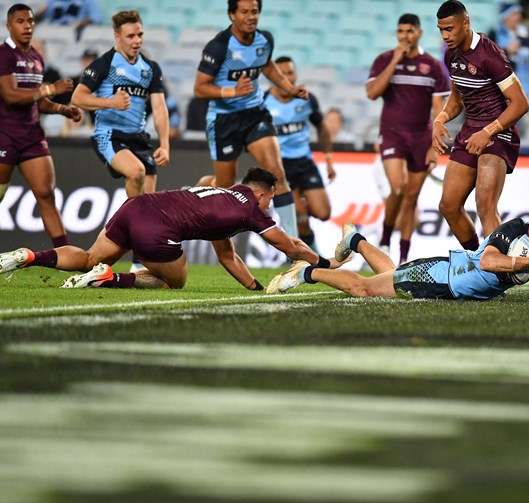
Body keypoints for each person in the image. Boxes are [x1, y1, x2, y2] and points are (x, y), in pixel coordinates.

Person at [0, 167, 341, 289]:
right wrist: (325, 263)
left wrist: (254, 287)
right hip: (158, 227)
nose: (269, 205)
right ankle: (111, 278)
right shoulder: (252, 209)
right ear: (262, 194)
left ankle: (29, 256)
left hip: (136, 206)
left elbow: (227, 256)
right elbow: (290, 246)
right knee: (174, 282)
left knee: (89, 257)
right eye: (271, 199)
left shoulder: (225, 193)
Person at [268, 203, 529, 306]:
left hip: (445, 282)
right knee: (364, 289)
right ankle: (305, 273)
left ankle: (356, 241)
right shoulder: (515, 230)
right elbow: (487, 261)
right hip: (440, 277)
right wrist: (525, 263)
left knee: (388, 276)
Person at [193, 0, 307, 238]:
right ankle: (205, 185)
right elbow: (200, 88)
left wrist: (289, 88)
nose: (250, 16)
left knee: (277, 173)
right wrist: (232, 91)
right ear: (232, 15)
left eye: (254, 11)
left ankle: (294, 244)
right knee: (225, 186)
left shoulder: (264, 39)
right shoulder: (218, 47)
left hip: (255, 114)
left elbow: (267, 66)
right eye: (244, 12)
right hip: (224, 120)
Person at [70, 10, 169, 271]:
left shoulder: (150, 68)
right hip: (109, 134)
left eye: (140, 35)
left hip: (139, 138)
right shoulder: (104, 64)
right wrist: (110, 103)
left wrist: (165, 144)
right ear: (117, 36)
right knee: (136, 172)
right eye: (130, 36)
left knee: (148, 206)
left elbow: (160, 109)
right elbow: (77, 97)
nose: (137, 40)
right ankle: (132, 250)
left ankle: (135, 260)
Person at [432, 0, 529, 251]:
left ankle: (497, 268)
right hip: (471, 131)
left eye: (449, 29)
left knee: (485, 206)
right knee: (449, 206)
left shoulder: (489, 53)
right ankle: (477, 258)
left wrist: (488, 131)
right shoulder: (450, 54)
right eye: (441, 30)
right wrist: (440, 119)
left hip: (499, 132)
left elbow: (520, 103)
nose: (445, 36)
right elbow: (457, 99)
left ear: (466, 23)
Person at [366, 12, 449, 264]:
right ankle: (384, 239)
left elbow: (439, 109)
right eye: (401, 31)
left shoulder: (432, 66)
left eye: (410, 31)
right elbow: (372, 92)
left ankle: (403, 256)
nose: (405, 36)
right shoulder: (384, 60)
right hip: (392, 136)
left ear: (419, 33)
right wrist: (395, 60)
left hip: (421, 138)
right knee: (398, 188)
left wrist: (435, 145)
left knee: (412, 198)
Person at [0, 3, 83, 248]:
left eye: (31, 21)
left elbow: (37, 100)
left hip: (32, 137)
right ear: (9, 25)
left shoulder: (35, 57)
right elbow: (11, 96)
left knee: (46, 194)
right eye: (21, 21)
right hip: (5, 135)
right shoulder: (4, 55)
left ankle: (64, 253)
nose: (27, 26)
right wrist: (51, 89)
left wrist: (62, 109)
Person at [264, 55, 335, 254]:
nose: (287, 77)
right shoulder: (264, 102)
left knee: (323, 213)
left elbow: (321, 127)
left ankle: (302, 205)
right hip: (281, 166)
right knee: (300, 217)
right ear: (274, 77)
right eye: (282, 74)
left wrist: (328, 159)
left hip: (304, 162)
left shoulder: (307, 99)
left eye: (290, 72)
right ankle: (313, 255)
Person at [487, 2, 529, 98]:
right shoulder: (495, 33)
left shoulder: (524, 32)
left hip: (521, 81)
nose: (518, 17)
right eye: (514, 14)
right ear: (506, 16)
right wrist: (506, 51)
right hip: (501, 83)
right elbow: (488, 56)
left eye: (518, 14)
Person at [35, 0, 102, 40]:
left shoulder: (87, 1)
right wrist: (38, 14)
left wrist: (82, 23)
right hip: (54, 32)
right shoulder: (53, 1)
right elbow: (40, 18)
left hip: (74, 33)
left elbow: (96, 18)